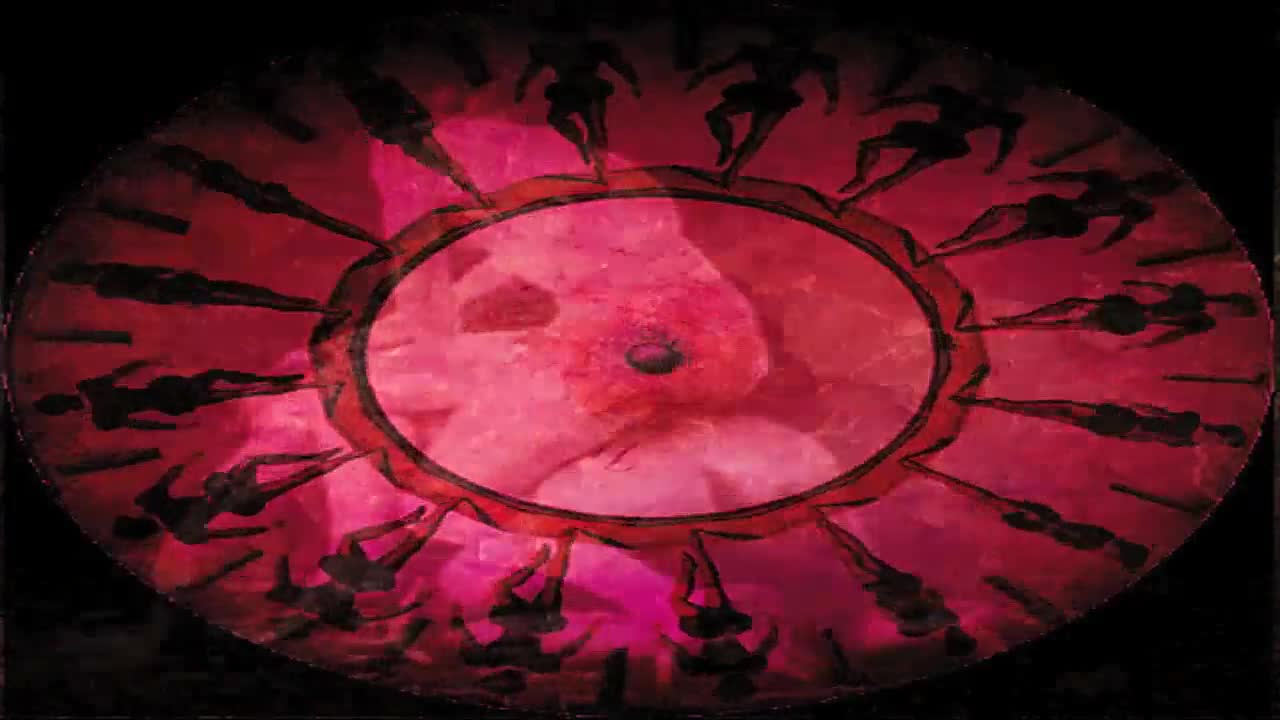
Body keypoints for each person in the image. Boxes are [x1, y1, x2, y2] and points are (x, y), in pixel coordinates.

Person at [154, 144, 389, 252]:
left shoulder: (213, 172)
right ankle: (373, 240)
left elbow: (241, 187)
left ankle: (374, 240)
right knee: (322, 219)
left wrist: (259, 199)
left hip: (269, 198)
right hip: (268, 197)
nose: (183, 170)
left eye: (181, 165)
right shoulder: (212, 170)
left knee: (323, 219)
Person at [686, 22, 839, 187]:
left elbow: (828, 74)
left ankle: (732, 170)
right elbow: (726, 64)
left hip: (777, 98)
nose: (784, 48)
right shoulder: (760, 53)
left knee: (757, 136)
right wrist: (704, 73)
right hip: (757, 92)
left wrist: (833, 97)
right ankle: (727, 148)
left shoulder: (802, 58)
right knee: (716, 116)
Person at [837, 80, 1025, 208]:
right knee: (871, 147)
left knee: (901, 173)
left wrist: (1000, 161)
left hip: (944, 142)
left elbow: (1008, 137)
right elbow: (912, 99)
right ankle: (860, 180)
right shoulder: (960, 100)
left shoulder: (989, 112)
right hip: (931, 135)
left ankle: (855, 199)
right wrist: (881, 105)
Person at [329, 58, 489, 206]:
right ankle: (472, 193)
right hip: (403, 134)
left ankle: (475, 194)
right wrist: (388, 134)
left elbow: (408, 102)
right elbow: (371, 123)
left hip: (412, 129)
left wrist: (419, 119)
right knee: (440, 166)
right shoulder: (363, 97)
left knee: (444, 162)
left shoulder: (383, 87)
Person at [933, 169, 1183, 259]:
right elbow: (1068, 176)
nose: (1144, 188)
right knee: (1002, 218)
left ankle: (956, 248)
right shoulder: (1110, 180)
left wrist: (1101, 247)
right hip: (1062, 210)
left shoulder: (1135, 205)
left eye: (1150, 188)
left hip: (1069, 220)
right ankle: (962, 240)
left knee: (1008, 236)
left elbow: (1123, 229)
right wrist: (1033, 180)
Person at [515, 17, 642, 182]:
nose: (570, 40)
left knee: (595, 127)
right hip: (567, 90)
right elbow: (532, 68)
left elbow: (619, 63)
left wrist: (633, 81)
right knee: (557, 119)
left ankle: (599, 166)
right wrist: (521, 86)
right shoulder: (553, 49)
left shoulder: (592, 48)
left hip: (589, 90)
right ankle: (582, 144)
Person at [451, 535, 601, 674]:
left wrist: (458, 621)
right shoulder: (527, 663)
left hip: (519, 619)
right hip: (533, 621)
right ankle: (559, 548)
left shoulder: (493, 659)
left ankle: (549, 555)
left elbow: (468, 640)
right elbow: (566, 652)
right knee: (550, 586)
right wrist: (590, 632)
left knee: (512, 588)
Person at [33, 361, 319, 431]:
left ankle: (282, 384)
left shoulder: (99, 417)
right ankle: (277, 382)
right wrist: (145, 362)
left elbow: (141, 423)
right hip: (163, 392)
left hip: (166, 400)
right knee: (221, 379)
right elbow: (119, 374)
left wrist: (174, 426)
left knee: (227, 391)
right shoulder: (90, 391)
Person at [961, 280, 1256, 348]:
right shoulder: (1198, 299)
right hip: (1132, 312)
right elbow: (1166, 291)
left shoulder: (1203, 320)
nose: (1230, 311)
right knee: (1073, 305)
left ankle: (1008, 325)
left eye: (1235, 312)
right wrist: (1140, 286)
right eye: (1235, 307)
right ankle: (1018, 320)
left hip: (1134, 319)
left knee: (1070, 322)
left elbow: (1174, 334)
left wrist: (1146, 344)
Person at [815, 512, 960, 638]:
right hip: (895, 587)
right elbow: (926, 598)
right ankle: (827, 526)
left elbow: (922, 599)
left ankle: (827, 526)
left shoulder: (935, 617)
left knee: (859, 557)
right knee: (859, 557)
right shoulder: (937, 617)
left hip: (894, 587)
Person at [950, 394, 1247, 449]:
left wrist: (1131, 419)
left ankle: (991, 404)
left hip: (1122, 423)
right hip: (1123, 422)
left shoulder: (1191, 437)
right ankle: (993, 404)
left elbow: (1153, 428)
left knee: (1057, 409)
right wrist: (1135, 410)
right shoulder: (1191, 434)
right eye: (1225, 439)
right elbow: (1158, 418)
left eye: (1225, 443)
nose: (1220, 442)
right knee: (1057, 409)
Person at [49, 261, 340, 315]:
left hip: (183, 287)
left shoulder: (107, 277)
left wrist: (171, 276)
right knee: (251, 296)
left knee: (252, 294)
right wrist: (170, 281)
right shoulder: (106, 283)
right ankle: (312, 306)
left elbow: (146, 278)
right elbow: (145, 287)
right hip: (182, 289)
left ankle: (309, 305)